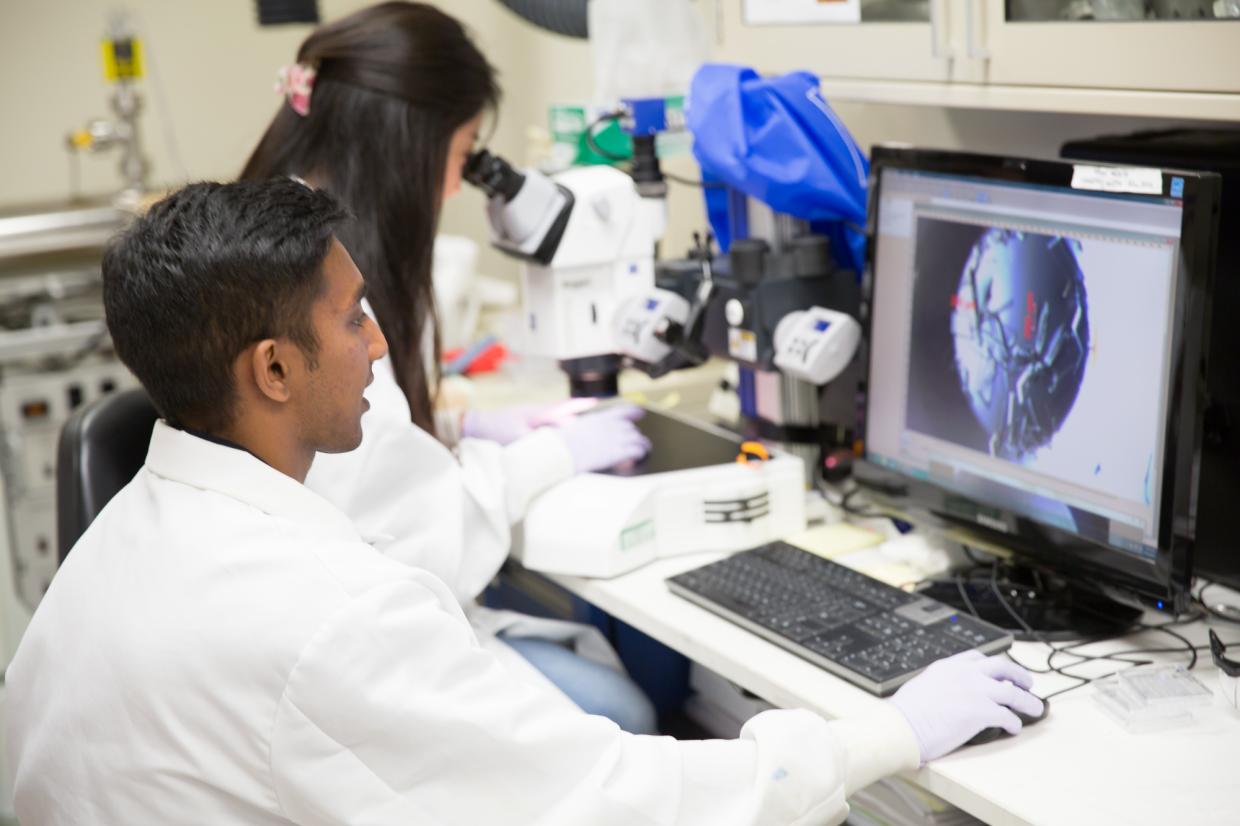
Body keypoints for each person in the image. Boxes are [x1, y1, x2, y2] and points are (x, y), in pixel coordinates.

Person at [6, 179, 1044, 825]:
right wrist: (885, 734)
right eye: (354, 317)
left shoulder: (121, 541)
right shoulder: (324, 616)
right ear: (273, 368)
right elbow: (609, 804)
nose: (377, 345)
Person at [241, 1, 657, 732]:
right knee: (622, 712)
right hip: (349, 643)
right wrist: (546, 456)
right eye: (461, 156)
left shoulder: (284, 222)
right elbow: (417, 530)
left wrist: (470, 424)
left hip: (310, 607)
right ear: (404, 144)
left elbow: (366, 451)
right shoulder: (312, 280)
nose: (459, 186)